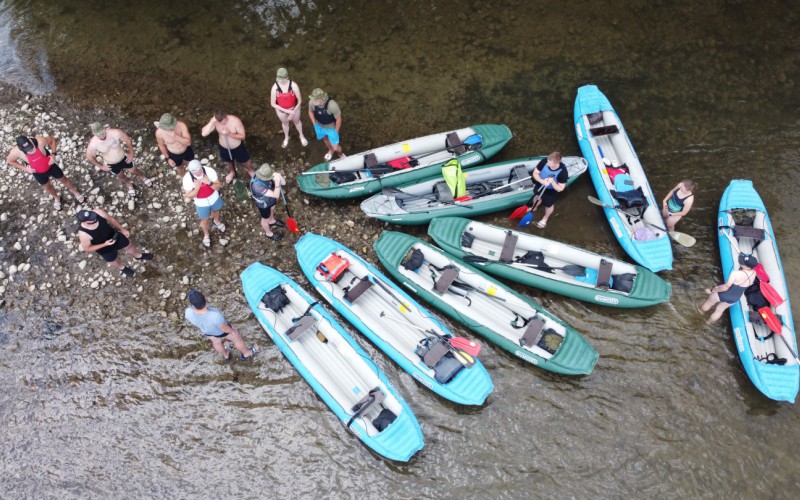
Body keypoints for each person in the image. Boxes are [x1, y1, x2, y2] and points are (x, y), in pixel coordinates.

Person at [7, 134, 85, 210]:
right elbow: (10, 161)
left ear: (30, 141)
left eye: (30, 146)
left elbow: (52, 140)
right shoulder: (15, 152)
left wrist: (53, 154)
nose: (30, 149)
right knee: (48, 187)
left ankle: (75, 192)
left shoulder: (39, 141)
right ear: (20, 148)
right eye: (27, 149)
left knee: (64, 179)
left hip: (51, 166)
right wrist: (24, 168)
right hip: (38, 173)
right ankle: (56, 198)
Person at [76, 208, 153, 278]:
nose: (94, 218)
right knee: (113, 260)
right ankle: (122, 268)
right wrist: (105, 244)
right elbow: (87, 248)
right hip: (104, 248)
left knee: (128, 245)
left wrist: (122, 229)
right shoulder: (83, 233)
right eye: (91, 219)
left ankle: (138, 255)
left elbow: (111, 219)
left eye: (92, 215)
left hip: (114, 236)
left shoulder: (97, 212)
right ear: (84, 221)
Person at [184, 289, 258, 361]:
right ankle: (247, 353)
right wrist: (231, 331)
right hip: (221, 332)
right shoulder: (215, 316)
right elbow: (223, 328)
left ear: (193, 305)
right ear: (205, 300)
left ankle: (226, 355)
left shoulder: (188, 312)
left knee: (216, 343)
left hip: (207, 332)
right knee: (236, 338)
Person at [85, 122, 151, 197]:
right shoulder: (94, 144)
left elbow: (128, 140)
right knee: (121, 176)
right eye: (99, 135)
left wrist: (131, 153)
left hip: (123, 158)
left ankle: (143, 177)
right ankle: (129, 185)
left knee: (134, 170)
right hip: (111, 164)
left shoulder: (115, 132)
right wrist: (100, 166)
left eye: (103, 133)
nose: (102, 136)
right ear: (94, 134)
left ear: (104, 129)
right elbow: (89, 156)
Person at [699, 254, 759, 323]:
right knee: (719, 310)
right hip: (735, 297)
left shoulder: (735, 274)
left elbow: (725, 288)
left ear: (748, 267)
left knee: (709, 303)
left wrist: (711, 290)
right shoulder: (754, 273)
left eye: (743, 263)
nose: (740, 263)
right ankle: (708, 323)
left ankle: (701, 312)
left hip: (724, 294)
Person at [200, 110, 254, 184]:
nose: (220, 123)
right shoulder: (216, 121)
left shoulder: (235, 121)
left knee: (245, 160)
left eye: (221, 122)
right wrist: (211, 122)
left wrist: (229, 133)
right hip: (224, 147)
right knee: (228, 161)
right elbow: (204, 134)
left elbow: (243, 136)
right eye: (218, 121)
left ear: (226, 117)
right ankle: (232, 171)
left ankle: (250, 170)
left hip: (237, 147)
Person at [182, 159, 225, 248]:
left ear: (201, 167)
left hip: (214, 197)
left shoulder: (209, 171)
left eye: (200, 172)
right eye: (195, 174)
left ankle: (216, 221)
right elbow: (189, 196)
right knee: (204, 220)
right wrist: (197, 187)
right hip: (201, 203)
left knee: (216, 210)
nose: (198, 175)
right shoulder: (187, 178)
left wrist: (209, 182)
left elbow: (218, 186)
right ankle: (206, 234)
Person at [526, 151, 569, 229]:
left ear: (556, 163)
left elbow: (560, 188)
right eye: (547, 162)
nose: (547, 164)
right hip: (540, 184)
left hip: (551, 191)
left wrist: (552, 182)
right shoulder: (544, 161)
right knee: (536, 196)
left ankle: (545, 218)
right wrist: (542, 181)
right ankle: (534, 208)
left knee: (549, 205)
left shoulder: (563, 172)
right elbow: (535, 173)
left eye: (550, 164)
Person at [270, 68, 308, 149]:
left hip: (294, 108)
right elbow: (273, 103)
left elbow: (299, 101)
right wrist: (287, 111)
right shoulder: (275, 87)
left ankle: (301, 135)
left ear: (287, 77)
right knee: (285, 123)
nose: (281, 81)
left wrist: (292, 111)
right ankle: (286, 137)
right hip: (281, 110)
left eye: (283, 79)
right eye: (280, 79)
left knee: (297, 122)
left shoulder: (293, 85)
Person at [250, 163, 286, 242]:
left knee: (272, 209)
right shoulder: (257, 186)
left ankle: (272, 220)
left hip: (270, 199)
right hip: (264, 204)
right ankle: (268, 233)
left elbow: (283, 183)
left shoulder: (268, 172)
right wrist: (276, 183)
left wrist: (279, 176)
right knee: (265, 219)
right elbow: (276, 194)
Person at [307, 88, 344, 161]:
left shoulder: (332, 105)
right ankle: (331, 150)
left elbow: (338, 119)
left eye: (315, 100)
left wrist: (336, 132)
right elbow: (310, 112)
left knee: (335, 146)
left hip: (331, 127)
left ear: (321, 99)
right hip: (319, 125)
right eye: (313, 99)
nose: (312, 101)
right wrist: (314, 123)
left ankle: (340, 153)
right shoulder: (312, 103)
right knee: (325, 139)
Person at [154, 113, 194, 178]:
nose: (171, 129)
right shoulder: (159, 133)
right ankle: (184, 178)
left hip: (186, 149)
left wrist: (176, 137)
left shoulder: (181, 125)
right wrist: (168, 158)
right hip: (174, 153)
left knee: (191, 163)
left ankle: (193, 175)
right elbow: (161, 146)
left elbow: (188, 143)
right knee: (179, 167)